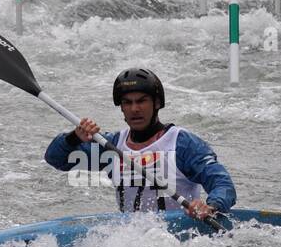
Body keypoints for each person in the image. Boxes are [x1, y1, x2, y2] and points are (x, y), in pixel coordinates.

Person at [43, 68, 235, 220]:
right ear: (122, 108)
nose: (135, 109)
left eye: (142, 101)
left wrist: (211, 206)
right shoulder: (112, 146)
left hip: (181, 241)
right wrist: (73, 138)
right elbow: (56, 159)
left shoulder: (182, 144)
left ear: (157, 103)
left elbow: (222, 183)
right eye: (128, 103)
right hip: (135, 246)